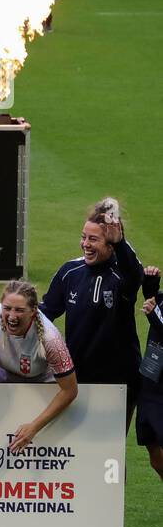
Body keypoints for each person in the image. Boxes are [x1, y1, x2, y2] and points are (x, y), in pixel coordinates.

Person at [41, 198, 145, 431]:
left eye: (94, 239)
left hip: (118, 380)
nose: (85, 244)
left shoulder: (122, 276)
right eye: (83, 237)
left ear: (111, 245)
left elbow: (134, 273)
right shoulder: (70, 272)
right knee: (79, 450)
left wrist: (121, 243)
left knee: (111, 452)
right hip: (77, 377)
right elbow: (45, 312)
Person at [0, 280, 78, 452]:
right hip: (5, 390)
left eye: (19, 310)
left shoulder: (50, 340)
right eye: (7, 308)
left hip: (42, 395)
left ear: (33, 311)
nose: (11, 316)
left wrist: (34, 427)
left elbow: (70, 390)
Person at [137, 266, 163, 481]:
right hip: (150, 383)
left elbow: (157, 317)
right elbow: (154, 301)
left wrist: (153, 315)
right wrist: (151, 283)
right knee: (155, 457)